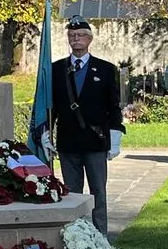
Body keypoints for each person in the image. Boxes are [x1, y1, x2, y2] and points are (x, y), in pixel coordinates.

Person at [51, 15, 124, 235]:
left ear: (90, 39)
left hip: (95, 141)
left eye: (81, 35)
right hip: (68, 142)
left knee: (98, 193)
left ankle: (100, 237)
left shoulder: (105, 69)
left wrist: (115, 136)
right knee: (72, 195)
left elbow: (113, 106)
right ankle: (76, 238)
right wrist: (45, 132)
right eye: (72, 36)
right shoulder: (56, 69)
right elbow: (50, 105)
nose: (76, 39)